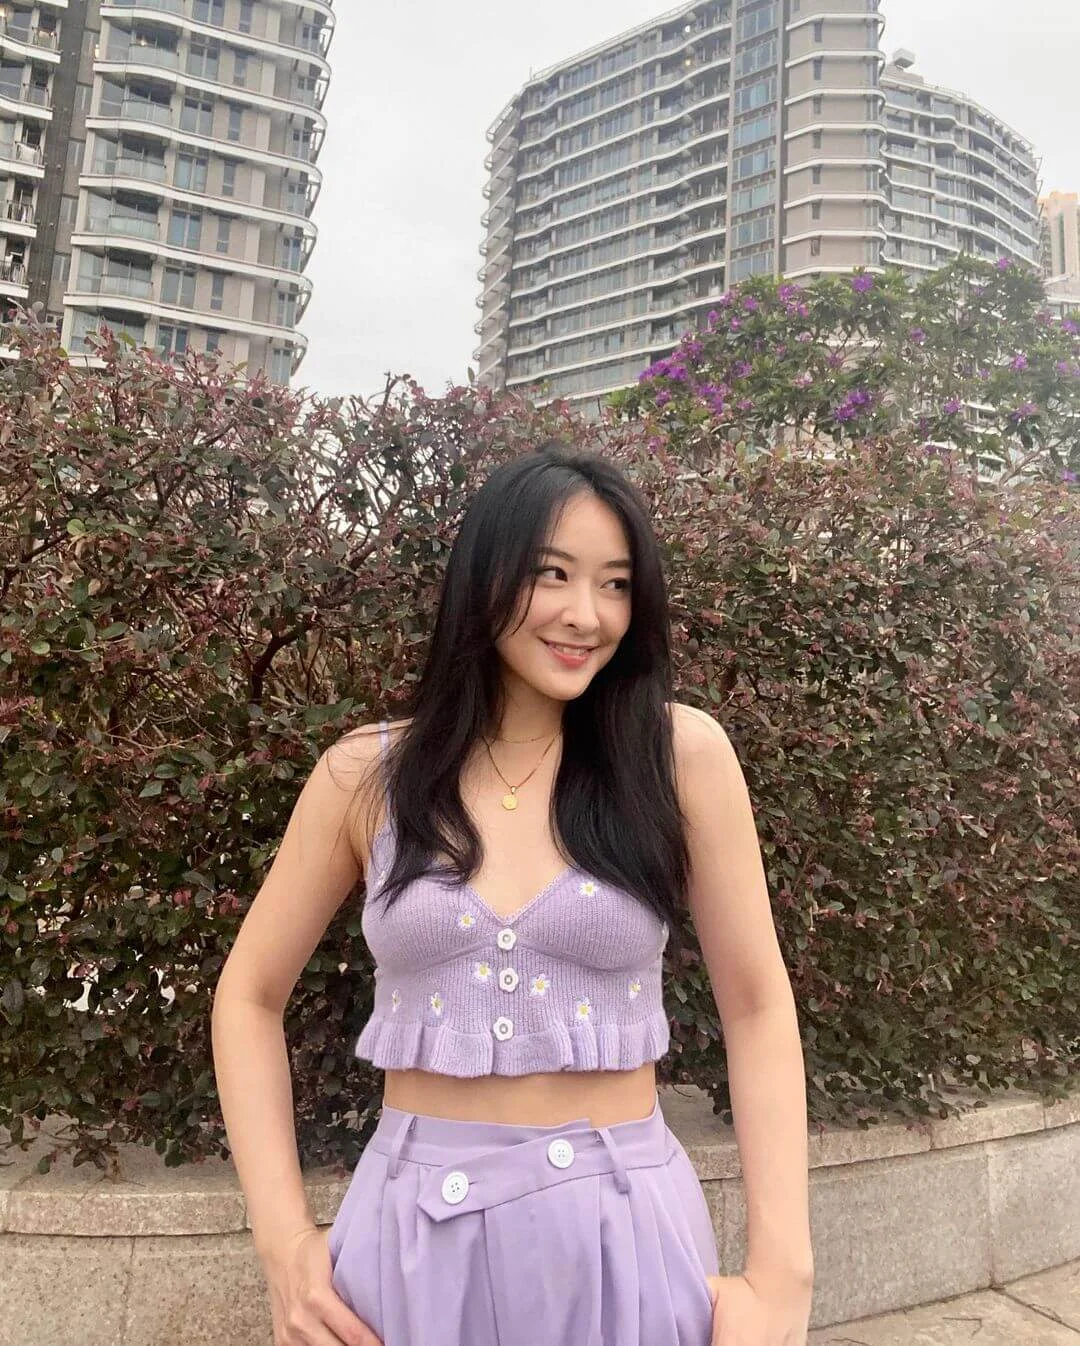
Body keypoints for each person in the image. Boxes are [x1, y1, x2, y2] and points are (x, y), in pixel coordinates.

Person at [211, 444, 813, 1346]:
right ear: (484, 575)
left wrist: (782, 1279)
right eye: (551, 574)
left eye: (616, 584)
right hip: (407, 1243)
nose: (586, 614)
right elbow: (248, 996)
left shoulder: (678, 757)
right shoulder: (365, 777)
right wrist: (283, 1243)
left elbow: (758, 1005)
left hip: (622, 1236)